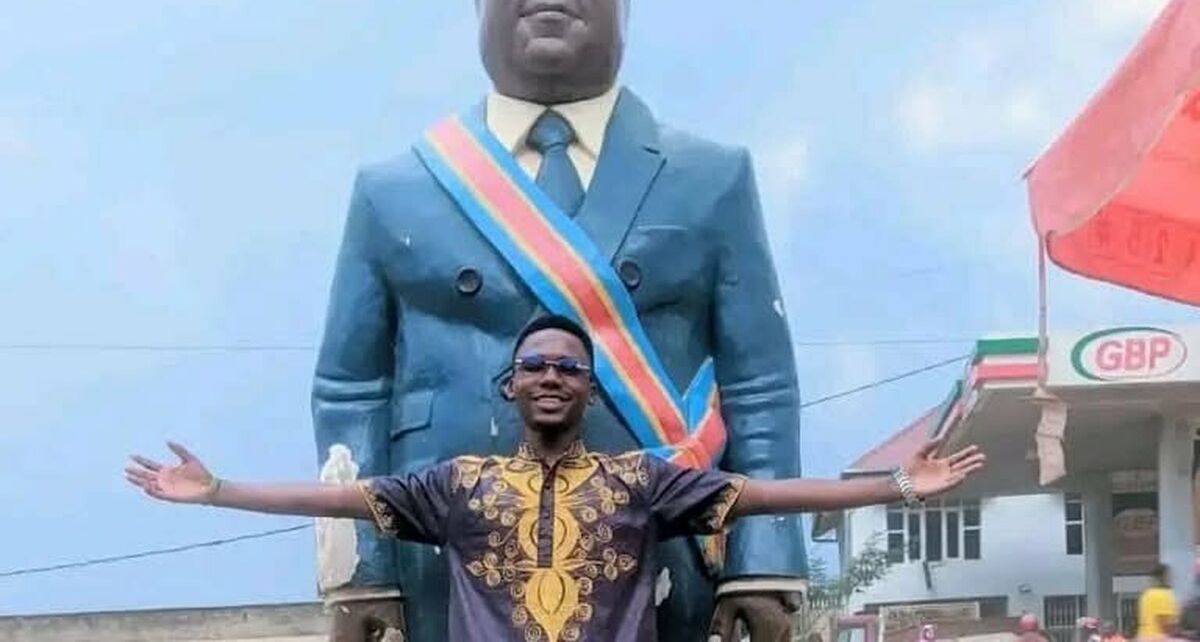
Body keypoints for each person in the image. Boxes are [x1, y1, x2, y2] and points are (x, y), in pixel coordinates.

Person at [310, 0, 814, 642]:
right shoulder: (394, 192)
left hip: (661, 575)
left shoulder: (711, 181)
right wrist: (360, 570)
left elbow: (760, 385)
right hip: (448, 580)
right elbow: (350, 390)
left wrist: (764, 561)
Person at [132, 316, 987, 642]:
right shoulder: (458, 485)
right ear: (510, 387)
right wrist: (220, 490)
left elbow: (764, 495)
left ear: (589, 391)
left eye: (568, 367)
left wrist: (897, 486)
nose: (550, 375)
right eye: (535, 365)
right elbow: (342, 498)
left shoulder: (639, 482)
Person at [1136, 563, 1178, 641]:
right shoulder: (1163, 594)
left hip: (1142, 637)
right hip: (1158, 638)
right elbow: (1164, 624)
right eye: (1169, 576)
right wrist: (1180, 632)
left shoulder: (1146, 594)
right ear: (1164, 577)